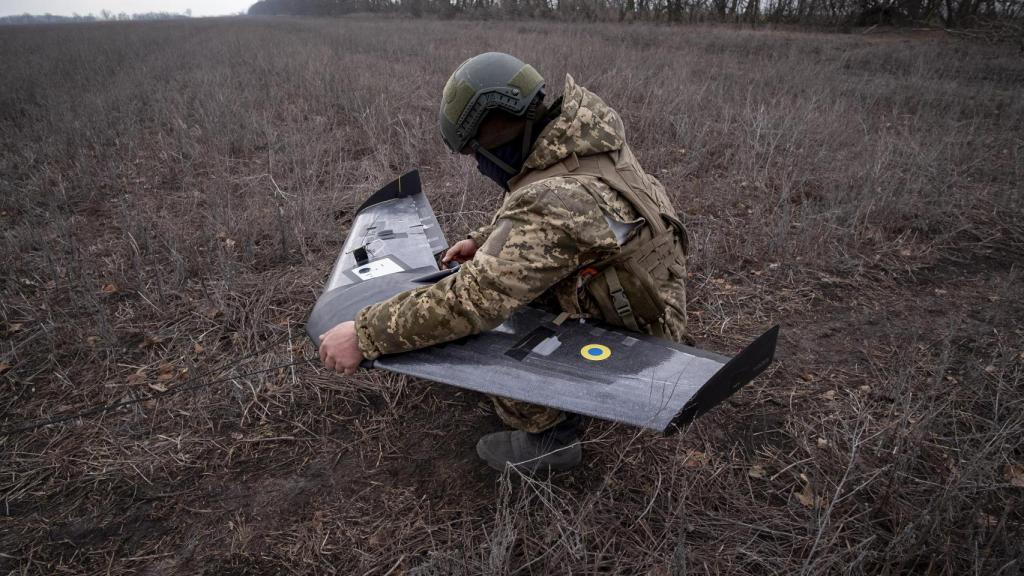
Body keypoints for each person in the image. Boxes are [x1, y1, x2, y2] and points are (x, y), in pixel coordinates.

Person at [318, 52, 690, 473]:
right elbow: (566, 216)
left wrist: (365, 334)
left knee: (490, 328)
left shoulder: (556, 201)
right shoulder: (584, 132)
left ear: (499, 134)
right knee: (492, 287)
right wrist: (483, 240)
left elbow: (470, 302)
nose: (478, 166)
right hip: (647, 294)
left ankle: (552, 439)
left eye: (478, 151)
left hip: (646, 341)